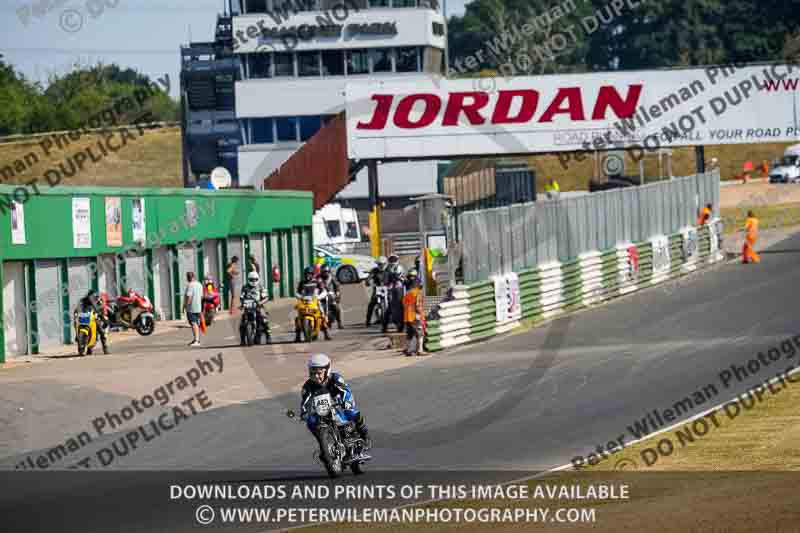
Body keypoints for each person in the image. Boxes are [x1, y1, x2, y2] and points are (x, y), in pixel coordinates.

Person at [300, 353, 371, 452]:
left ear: (327, 371)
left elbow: (345, 391)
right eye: (312, 373)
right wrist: (304, 412)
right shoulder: (307, 386)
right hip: (321, 409)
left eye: (319, 373)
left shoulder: (335, 378)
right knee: (310, 421)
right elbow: (305, 402)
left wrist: (346, 402)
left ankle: (364, 433)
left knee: (350, 412)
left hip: (339, 402)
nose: (316, 376)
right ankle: (323, 444)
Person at [295, 266, 331, 341]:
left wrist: (319, 297)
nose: (308, 275)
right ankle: (297, 335)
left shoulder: (317, 282)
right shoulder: (302, 283)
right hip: (304, 301)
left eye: (309, 274)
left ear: (312, 274)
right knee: (297, 316)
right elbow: (297, 292)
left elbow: (324, 291)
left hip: (315, 301)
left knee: (322, 314)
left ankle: (326, 332)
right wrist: (300, 297)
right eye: (306, 274)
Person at [239, 271, 271, 344]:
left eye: (255, 279)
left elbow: (266, 297)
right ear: (248, 279)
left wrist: (260, 302)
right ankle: (242, 339)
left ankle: (268, 336)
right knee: (242, 322)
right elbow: (242, 296)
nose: (253, 281)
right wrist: (242, 303)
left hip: (258, 305)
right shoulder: (245, 287)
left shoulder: (261, 286)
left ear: (258, 279)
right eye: (252, 279)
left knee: (264, 319)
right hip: (248, 306)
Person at [75, 290, 110, 354]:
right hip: (83, 317)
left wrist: (103, 316)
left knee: (102, 332)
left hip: (93, 318)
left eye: (92, 296)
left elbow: (101, 309)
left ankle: (105, 348)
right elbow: (77, 308)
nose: (91, 297)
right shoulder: (82, 301)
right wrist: (76, 312)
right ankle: (77, 336)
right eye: (90, 296)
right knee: (75, 323)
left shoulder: (98, 301)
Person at [402, 269, 425, 356]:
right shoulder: (417, 293)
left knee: (410, 334)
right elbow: (418, 305)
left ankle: (407, 350)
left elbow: (404, 304)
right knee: (420, 333)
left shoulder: (407, 293)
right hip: (415, 316)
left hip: (407, 317)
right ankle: (420, 350)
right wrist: (418, 314)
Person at [364, 256, 388, 327]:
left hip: (387, 289)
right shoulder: (374, 270)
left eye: (383, 264)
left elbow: (394, 276)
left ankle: (399, 320)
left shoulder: (388, 270)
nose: (381, 265)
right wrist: (367, 281)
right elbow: (369, 276)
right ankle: (367, 321)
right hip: (377, 289)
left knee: (395, 301)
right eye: (380, 264)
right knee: (371, 305)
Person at [318, 265, 343, 329]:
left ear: (329, 272)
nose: (325, 273)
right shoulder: (318, 278)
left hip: (331, 295)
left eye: (326, 271)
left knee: (336, 308)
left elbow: (337, 287)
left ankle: (339, 322)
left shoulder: (332, 277)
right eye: (323, 272)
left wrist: (337, 294)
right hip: (321, 295)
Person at [183, 272, 204, 347]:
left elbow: (189, 297)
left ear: (188, 277)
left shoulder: (190, 285)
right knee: (195, 323)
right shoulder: (199, 285)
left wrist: (185, 306)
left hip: (191, 307)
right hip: (198, 307)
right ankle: (196, 339)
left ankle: (196, 340)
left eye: (187, 277)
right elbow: (201, 297)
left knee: (193, 323)